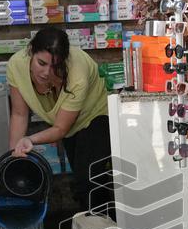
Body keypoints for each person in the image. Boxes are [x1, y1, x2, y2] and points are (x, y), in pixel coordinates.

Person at [7, 27, 114, 218]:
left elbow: (60, 128)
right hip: (68, 127)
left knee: (88, 180)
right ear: (31, 51)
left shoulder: (77, 73)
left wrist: (30, 140)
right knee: (84, 184)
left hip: (96, 115)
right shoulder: (16, 66)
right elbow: (19, 114)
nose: (47, 72)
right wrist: (15, 156)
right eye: (41, 63)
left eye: (55, 66)